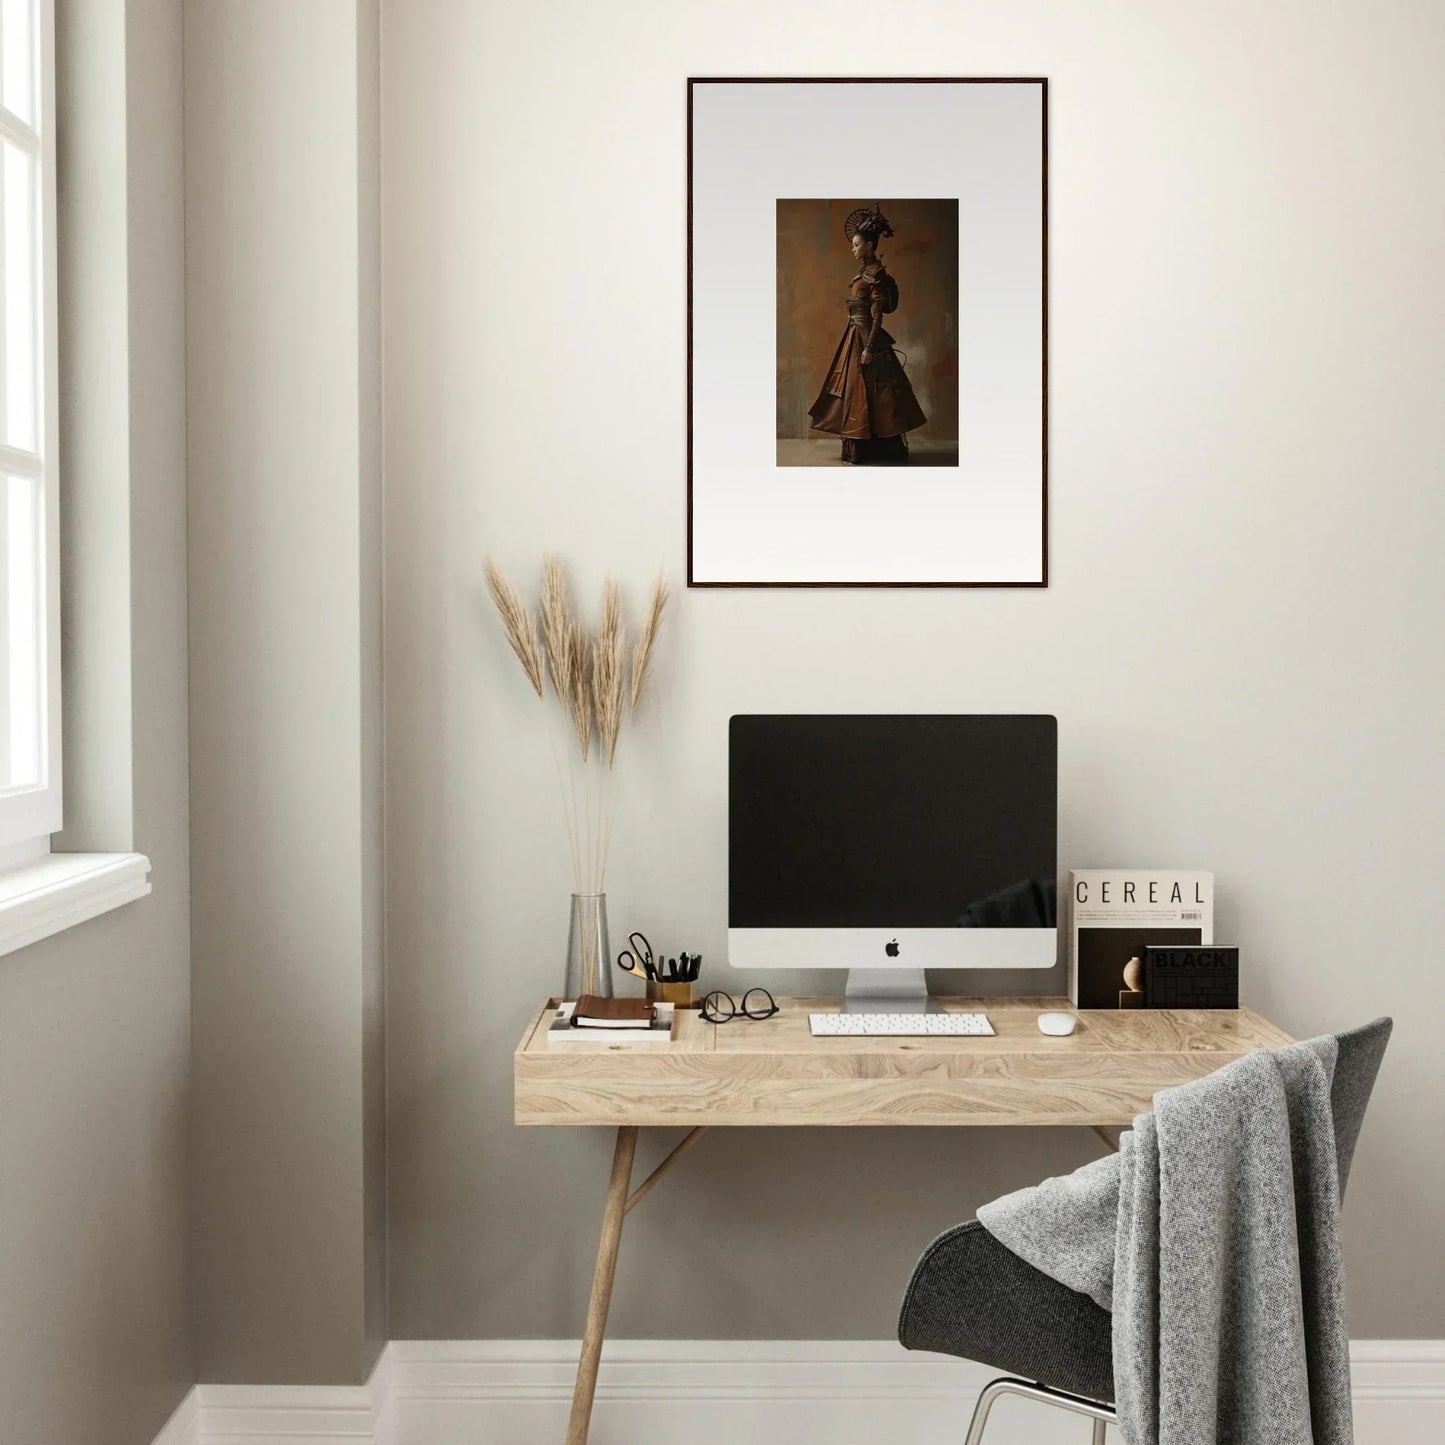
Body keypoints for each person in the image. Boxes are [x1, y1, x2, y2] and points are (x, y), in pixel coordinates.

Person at [807, 204, 927, 464]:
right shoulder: (861, 274)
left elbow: (878, 316)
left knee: (870, 393)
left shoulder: (876, 276)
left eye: (857, 244)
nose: (853, 248)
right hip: (853, 338)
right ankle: (860, 446)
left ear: (870, 246)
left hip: (865, 341)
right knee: (855, 392)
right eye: (852, 244)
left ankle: (876, 449)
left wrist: (870, 348)